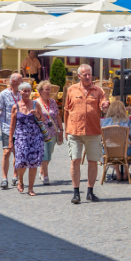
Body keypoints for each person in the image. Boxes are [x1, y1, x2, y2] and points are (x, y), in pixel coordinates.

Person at [64, 64, 108, 204]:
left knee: (93, 161)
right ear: (79, 76)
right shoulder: (71, 90)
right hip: (74, 131)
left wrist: (105, 106)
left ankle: (90, 191)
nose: (88, 77)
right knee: (75, 160)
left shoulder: (98, 91)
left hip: (93, 131)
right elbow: (66, 110)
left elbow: (104, 104)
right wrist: (65, 129)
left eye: (89, 74)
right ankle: (76, 193)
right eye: (85, 75)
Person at [8, 83, 47, 196]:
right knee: (21, 162)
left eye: (28, 91)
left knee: (33, 163)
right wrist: (11, 141)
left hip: (35, 137)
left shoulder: (36, 104)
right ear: (19, 92)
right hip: (21, 137)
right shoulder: (16, 107)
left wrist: (37, 115)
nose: (26, 93)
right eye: (24, 91)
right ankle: (20, 180)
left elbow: (43, 119)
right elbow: (12, 125)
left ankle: (31, 188)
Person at [0, 72, 22, 189]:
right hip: (6, 127)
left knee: (17, 152)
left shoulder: (22, 94)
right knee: (6, 152)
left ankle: (15, 176)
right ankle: (4, 178)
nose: (23, 83)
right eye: (21, 81)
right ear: (14, 82)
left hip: (20, 128)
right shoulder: (3, 94)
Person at [36, 80, 63, 187]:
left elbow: (57, 117)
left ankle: (42, 170)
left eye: (49, 90)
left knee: (49, 153)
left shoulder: (52, 102)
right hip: (41, 132)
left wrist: (61, 130)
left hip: (53, 132)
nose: (48, 92)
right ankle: (46, 176)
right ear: (40, 91)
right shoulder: (36, 103)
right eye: (46, 90)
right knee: (44, 154)